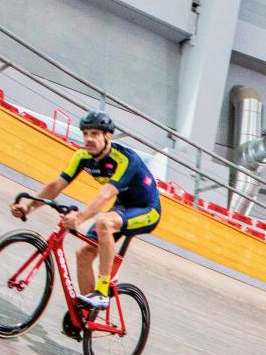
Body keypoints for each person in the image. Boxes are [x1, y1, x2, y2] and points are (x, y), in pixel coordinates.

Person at [11, 110, 161, 311]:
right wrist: (28, 208)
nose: (88, 139)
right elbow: (56, 185)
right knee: (83, 254)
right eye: (86, 134)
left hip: (147, 210)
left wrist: (80, 218)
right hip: (123, 206)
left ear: (108, 136)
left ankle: (102, 293)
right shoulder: (82, 156)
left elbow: (106, 194)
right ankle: (85, 315)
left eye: (95, 134)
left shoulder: (126, 159)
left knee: (104, 223)